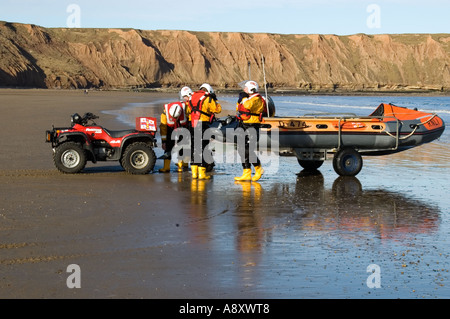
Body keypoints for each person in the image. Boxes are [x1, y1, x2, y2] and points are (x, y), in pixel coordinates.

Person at [186, 83, 222, 180]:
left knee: (194, 147)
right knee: (203, 147)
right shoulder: (208, 98)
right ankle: (201, 173)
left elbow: (188, 110)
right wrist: (215, 100)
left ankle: (194, 173)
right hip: (203, 124)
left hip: (191, 123)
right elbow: (217, 110)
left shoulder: (191, 97)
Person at [234, 80, 266, 182]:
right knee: (240, 148)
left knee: (247, 149)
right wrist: (241, 100)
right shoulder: (248, 98)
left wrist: (243, 98)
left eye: (246, 88)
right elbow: (239, 107)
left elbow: (248, 106)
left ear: (251, 89)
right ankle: (246, 172)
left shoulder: (257, 99)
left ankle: (258, 168)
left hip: (252, 126)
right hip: (243, 124)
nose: (244, 89)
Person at [159, 86, 192, 173]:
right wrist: (164, 141)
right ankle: (166, 167)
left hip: (183, 128)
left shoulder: (185, 108)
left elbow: (191, 116)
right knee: (168, 148)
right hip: (170, 128)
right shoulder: (165, 113)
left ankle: (183, 165)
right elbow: (163, 127)